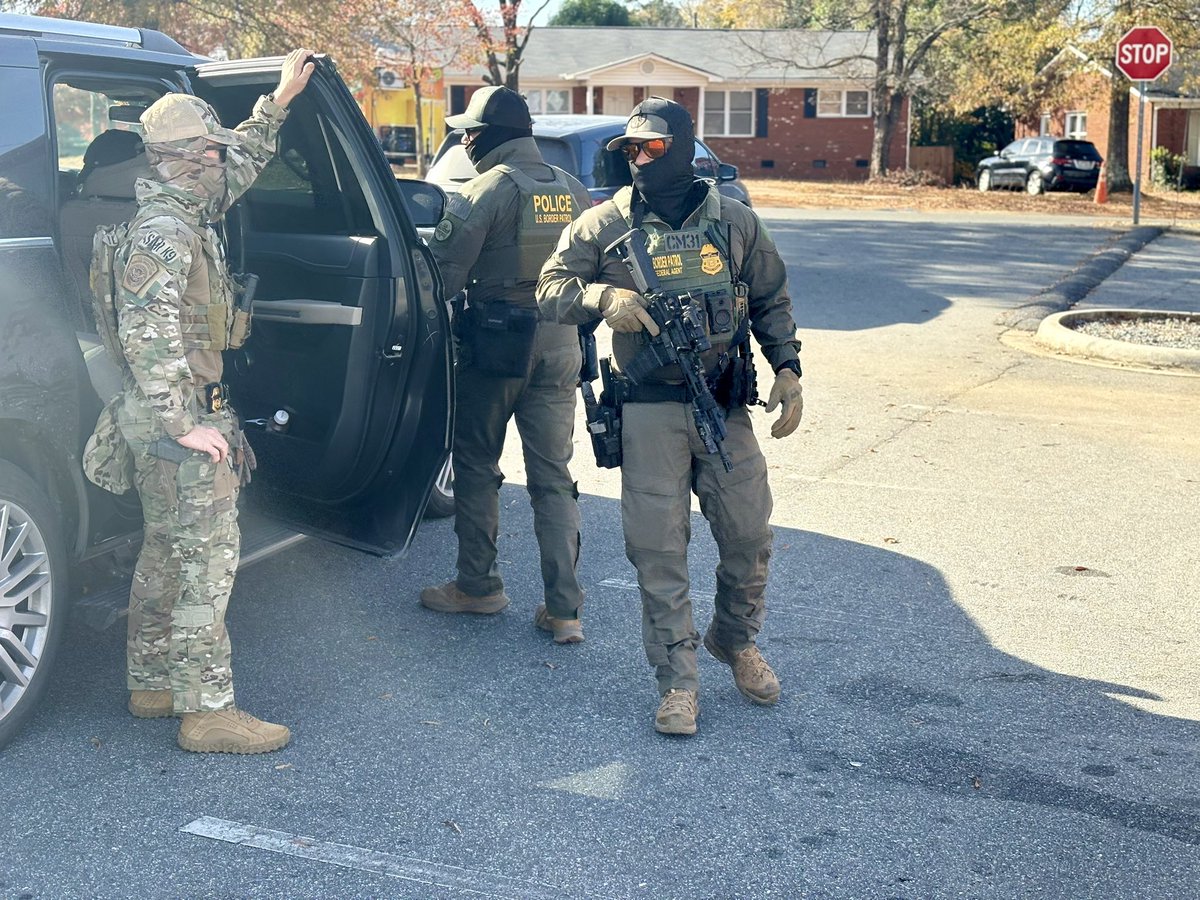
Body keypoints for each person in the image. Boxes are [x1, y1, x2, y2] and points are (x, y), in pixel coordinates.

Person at [536, 97, 804, 735]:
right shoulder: (603, 225)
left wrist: (788, 368)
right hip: (649, 409)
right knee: (658, 551)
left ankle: (733, 640)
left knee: (748, 534)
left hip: (722, 402)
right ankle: (678, 682)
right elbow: (549, 288)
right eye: (630, 149)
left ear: (682, 149)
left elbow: (770, 296)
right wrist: (602, 296)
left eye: (651, 147)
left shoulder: (734, 222)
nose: (638, 158)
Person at [101, 50, 314, 753]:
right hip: (178, 416)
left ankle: (154, 683)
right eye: (212, 152)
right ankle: (208, 710)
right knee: (208, 559)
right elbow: (147, 332)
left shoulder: (184, 209)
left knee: (166, 551)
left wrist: (278, 100)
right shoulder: (166, 233)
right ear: (190, 157)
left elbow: (246, 157)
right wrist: (186, 424)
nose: (224, 162)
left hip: (164, 415)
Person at [419, 86, 592, 644]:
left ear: (491, 137)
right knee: (553, 478)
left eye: (470, 132)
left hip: (497, 345)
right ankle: (565, 610)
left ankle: (478, 587)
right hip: (561, 342)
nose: (465, 141)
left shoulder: (483, 191)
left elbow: (442, 277)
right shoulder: (573, 190)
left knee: (476, 466)